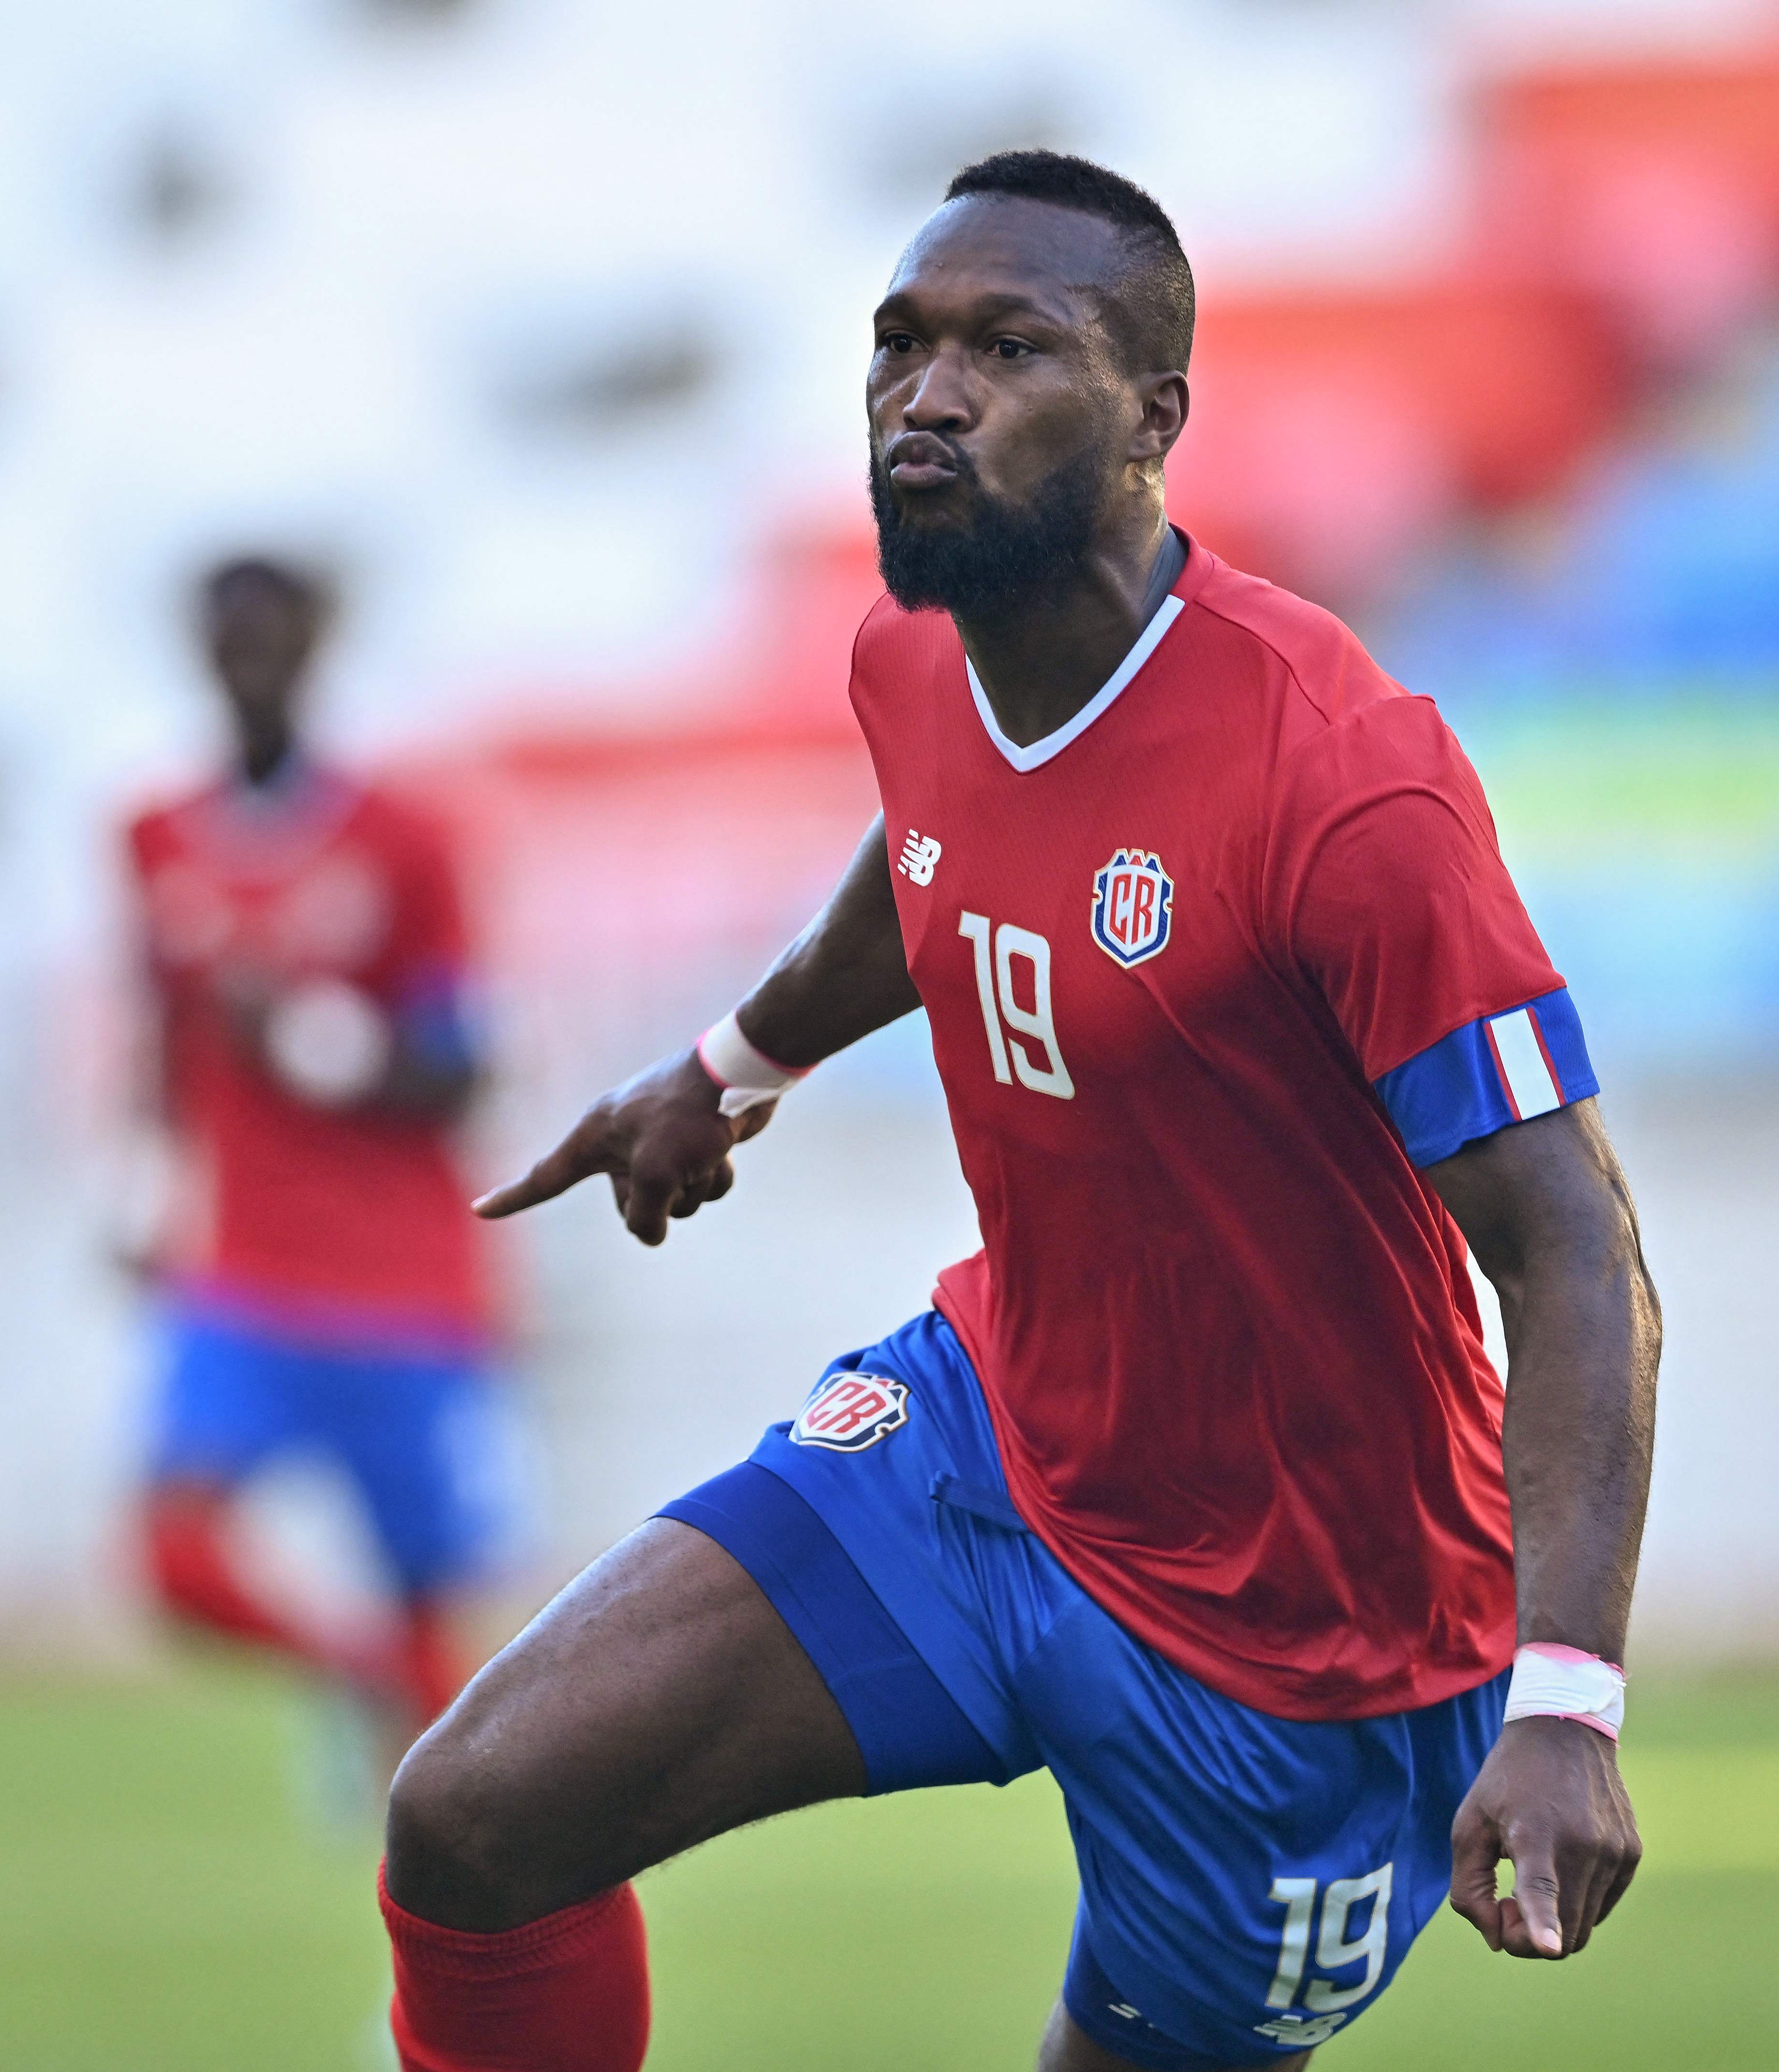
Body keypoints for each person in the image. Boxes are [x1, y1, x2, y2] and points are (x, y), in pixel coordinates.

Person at [380, 152, 1660, 2072]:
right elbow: (929, 864)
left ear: (1152, 415)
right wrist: (729, 1069)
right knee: (474, 1821)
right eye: (897, 345)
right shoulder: (910, 653)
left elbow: (1569, 1252)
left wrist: (1563, 1702)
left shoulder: (1340, 782)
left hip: (1298, 1643)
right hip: (989, 1450)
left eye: (1004, 346)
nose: (926, 392)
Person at [118, 555, 507, 1761]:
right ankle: (361, 1672)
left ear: (316, 649)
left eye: (275, 636)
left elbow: (462, 1065)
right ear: (200, 650)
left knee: (427, 1608)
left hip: (402, 1287)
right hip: (242, 1269)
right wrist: (141, 1189)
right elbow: (163, 1043)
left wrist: (317, 1045)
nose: (252, 662)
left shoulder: (401, 839)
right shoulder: (155, 839)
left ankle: (452, 1901)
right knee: (177, 1558)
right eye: (230, 636)